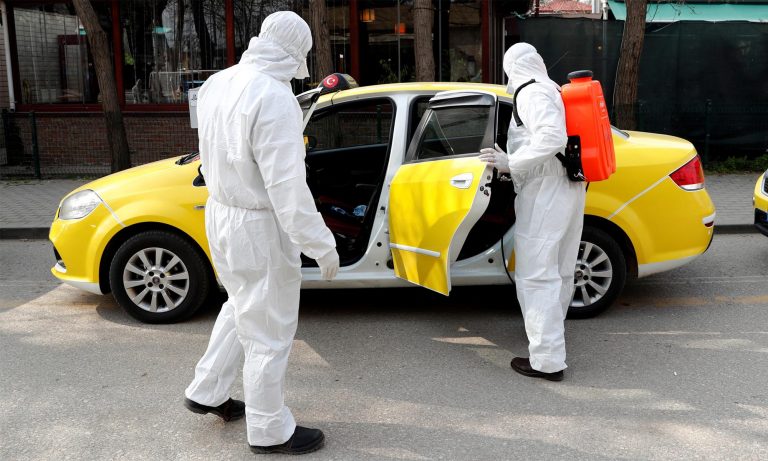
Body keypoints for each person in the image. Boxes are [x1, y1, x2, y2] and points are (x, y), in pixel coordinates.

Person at [183, 11, 339, 455]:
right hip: (258, 225)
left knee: (241, 304)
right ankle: (270, 429)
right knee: (269, 329)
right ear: (295, 52)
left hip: (221, 213)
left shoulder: (218, 82)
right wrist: (321, 244)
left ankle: (207, 389)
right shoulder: (274, 97)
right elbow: (287, 188)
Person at [479, 42, 586, 382]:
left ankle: (547, 361)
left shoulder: (530, 93)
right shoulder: (551, 89)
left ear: (512, 68)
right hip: (566, 186)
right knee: (560, 269)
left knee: (536, 275)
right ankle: (551, 340)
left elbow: (552, 137)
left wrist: (511, 162)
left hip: (545, 190)